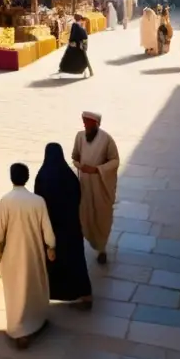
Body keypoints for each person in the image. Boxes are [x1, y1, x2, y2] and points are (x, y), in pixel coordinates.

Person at [0, 163, 56, 349]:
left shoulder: (6, 201)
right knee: (32, 289)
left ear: (11, 177)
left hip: (12, 256)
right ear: (27, 177)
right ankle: (34, 323)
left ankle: (17, 328)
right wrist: (51, 247)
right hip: (33, 254)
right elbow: (47, 231)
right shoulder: (38, 201)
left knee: (15, 293)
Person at [34, 143, 92, 309]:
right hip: (71, 227)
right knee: (75, 260)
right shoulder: (69, 175)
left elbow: (39, 200)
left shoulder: (42, 176)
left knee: (54, 260)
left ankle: (54, 293)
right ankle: (84, 294)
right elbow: (78, 195)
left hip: (52, 226)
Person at [71, 111, 120, 265]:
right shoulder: (79, 137)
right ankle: (89, 241)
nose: (85, 125)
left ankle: (102, 249)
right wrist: (80, 166)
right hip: (85, 185)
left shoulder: (106, 140)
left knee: (101, 216)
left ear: (96, 123)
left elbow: (115, 161)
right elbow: (75, 157)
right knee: (86, 214)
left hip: (100, 186)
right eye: (84, 122)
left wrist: (97, 169)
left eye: (88, 122)